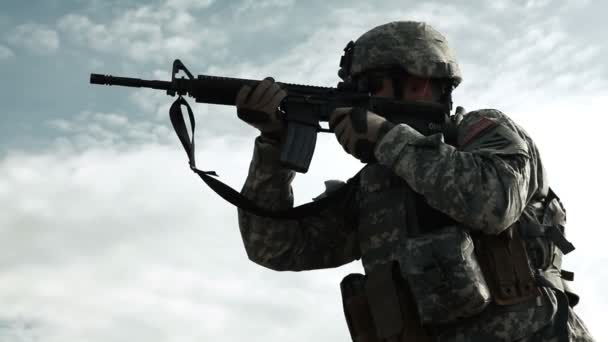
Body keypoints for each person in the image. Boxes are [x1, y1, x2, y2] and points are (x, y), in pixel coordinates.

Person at [234, 21, 593, 341]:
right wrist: (273, 145)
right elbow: (274, 247)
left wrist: (389, 139)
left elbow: (495, 202)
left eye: (372, 87)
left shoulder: (483, 132)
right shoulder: (376, 186)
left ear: (419, 81)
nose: (365, 101)